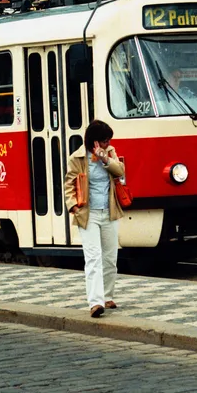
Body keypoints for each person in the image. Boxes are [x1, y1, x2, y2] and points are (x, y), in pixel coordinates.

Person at [64, 120, 126, 318]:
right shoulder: (77, 157)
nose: (108, 144)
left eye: (109, 140)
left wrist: (105, 159)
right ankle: (95, 302)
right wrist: (72, 204)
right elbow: (69, 184)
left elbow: (121, 172)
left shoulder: (110, 153)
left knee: (110, 257)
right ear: (94, 141)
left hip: (109, 212)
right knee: (93, 258)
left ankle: (107, 296)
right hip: (88, 214)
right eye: (104, 141)